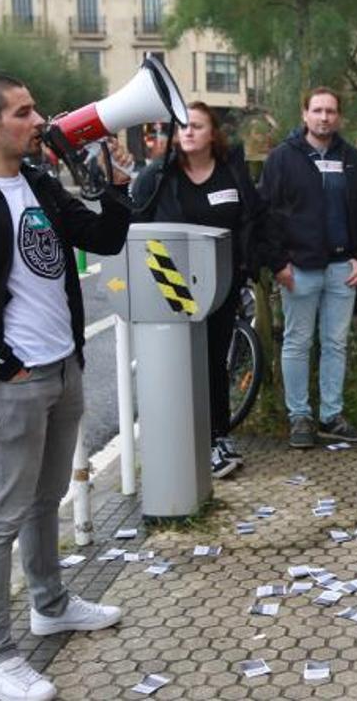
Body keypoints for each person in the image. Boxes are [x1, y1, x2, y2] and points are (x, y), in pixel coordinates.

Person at [0, 74, 134, 701]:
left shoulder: (38, 182)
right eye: (23, 112)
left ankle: (50, 602)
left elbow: (103, 237)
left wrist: (117, 189)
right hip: (12, 380)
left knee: (47, 501)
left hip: (62, 367)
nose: (38, 119)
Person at [131, 101, 270, 479]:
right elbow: (134, 225)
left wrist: (251, 264)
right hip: (172, 289)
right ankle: (184, 443)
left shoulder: (231, 173)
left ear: (213, 133)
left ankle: (217, 437)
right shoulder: (159, 177)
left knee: (214, 364)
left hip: (221, 284)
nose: (187, 133)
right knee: (180, 366)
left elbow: (251, 219)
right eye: (182, 127)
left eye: (196, 126)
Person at [260, 87, 357, 449]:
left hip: (342, 268)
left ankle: (331, 415)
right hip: (299, 268)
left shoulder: (354, 161)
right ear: (305, 115)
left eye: (330, 111)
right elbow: (266, 213)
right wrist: (278, 263)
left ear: (338, 116)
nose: (324, 117)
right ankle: (299, 417)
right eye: (317, 110)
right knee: (297, 343)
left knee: (335, 343)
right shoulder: (282, 158)